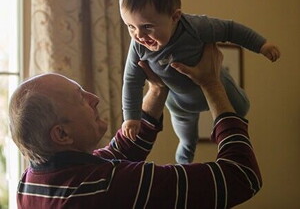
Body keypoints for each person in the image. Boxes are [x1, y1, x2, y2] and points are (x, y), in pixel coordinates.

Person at [9, 44, 262, 208]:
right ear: (62, 134)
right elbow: (241, 176)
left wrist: (157, 89)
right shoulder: (111, 187)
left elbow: (117, 153)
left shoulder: (31, 183)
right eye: (80, 98)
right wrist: (212, 84)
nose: (94, 99)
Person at [120, 0, 281, 163]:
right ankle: (184, 161)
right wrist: (131, 117)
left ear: (175, 17)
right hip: (180, 103)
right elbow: (131, 81)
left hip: (216, 83)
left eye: (147, 27)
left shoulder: (196, 28)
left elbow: (230, 30)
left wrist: (262, 45)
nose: (139, 35)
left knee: (242, 108)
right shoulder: (138, 46)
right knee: (187, 138)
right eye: (130, 26)